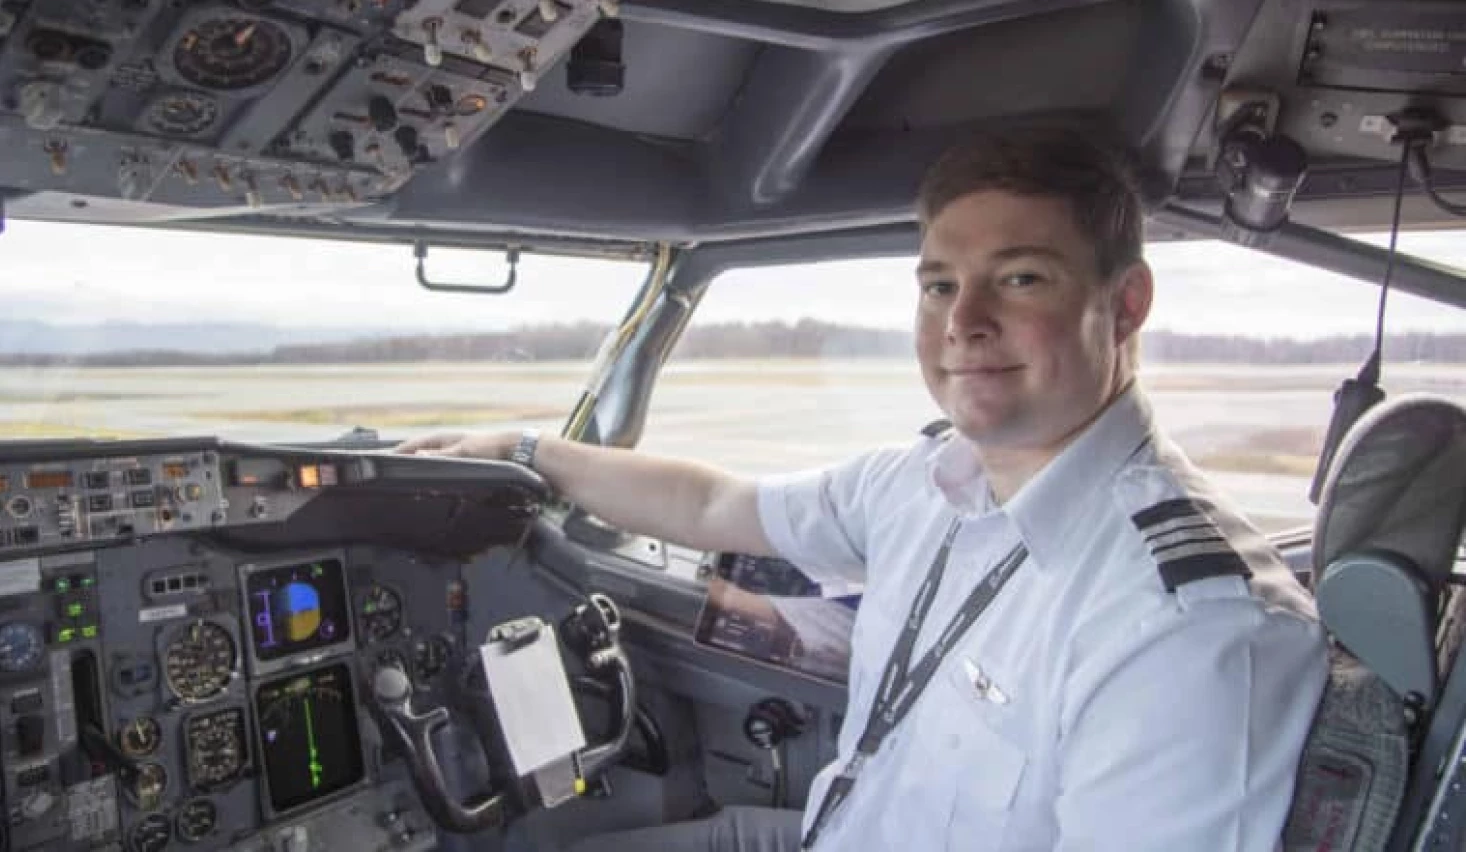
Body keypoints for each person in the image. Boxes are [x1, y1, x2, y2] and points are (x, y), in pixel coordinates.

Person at [396, 124, 1328, 851]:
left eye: (1021, 278)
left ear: (1124, 306)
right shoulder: (923, 483)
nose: (964, 322)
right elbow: (716, 507)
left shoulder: (1186, 627)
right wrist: (528, 449)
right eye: (938, 286)